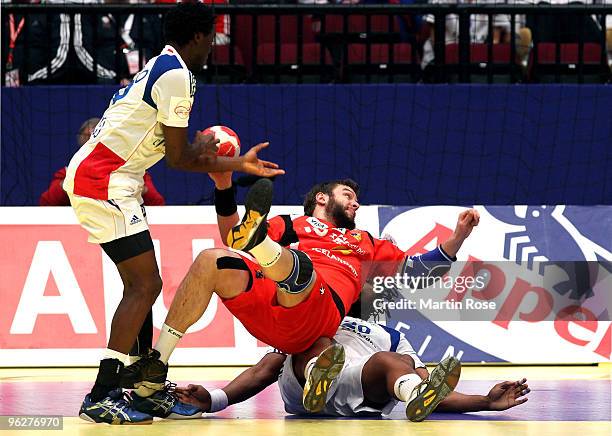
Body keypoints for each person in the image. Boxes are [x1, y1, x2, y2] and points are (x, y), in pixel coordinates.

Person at [67, 3, 284, 425]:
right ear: (199, 36)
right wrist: (238, 164)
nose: (215, 47)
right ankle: (102, 393)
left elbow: (172, 149)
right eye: (213, 37)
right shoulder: (177, 74)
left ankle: (143, 389)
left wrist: (211, 154)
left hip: (117, 179)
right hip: (104, 179)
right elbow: (180, 160)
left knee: (141, 284)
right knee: (145, 285)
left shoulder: (163, 65)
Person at [120, 171, 479, 420]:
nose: (356, 204)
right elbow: (232, 237)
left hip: (316, 313)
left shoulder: (365, 242)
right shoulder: (294, 224)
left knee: (300, 270)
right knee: (212, 260)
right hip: (275, 316)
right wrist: (224, 187)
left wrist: (458, 236)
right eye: (349, 196)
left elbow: (419, 271)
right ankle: (158, 362)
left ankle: (263, 248)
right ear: (322, 198)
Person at [174, 316, 530, 420]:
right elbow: (265, 370)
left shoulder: (389, 335)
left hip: (361, 388)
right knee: (317, 339)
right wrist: (215, 399)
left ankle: (405, 397)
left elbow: (432, 388)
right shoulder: (310, 316)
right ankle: (317, 380)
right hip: (302, 383)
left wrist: (485, 401)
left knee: (399, 364)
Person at [40, 118, 165, 207]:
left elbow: (158, 204)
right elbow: (45, 204)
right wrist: (67, 184)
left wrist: (138, 189)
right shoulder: (68, 173)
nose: (93, 142)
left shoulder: (132, 171)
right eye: (87, 137)